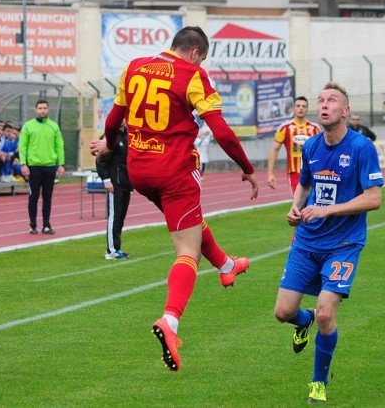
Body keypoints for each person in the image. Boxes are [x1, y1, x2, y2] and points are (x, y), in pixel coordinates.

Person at [89, 26, 259, 372]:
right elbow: (222, 130)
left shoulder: (134, 66)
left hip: (139, 171)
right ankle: (171, 320)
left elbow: (114, 118)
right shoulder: (193, 74)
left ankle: (227, 266)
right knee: (187, 249)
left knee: (190, 223)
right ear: (196, 53)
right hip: (173, 172)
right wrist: (246, 167)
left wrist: (108, 143)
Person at [273, 82, 383, 403]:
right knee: (283, 312)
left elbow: (374, 198)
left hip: (344, 243)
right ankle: (302, 320)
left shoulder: (362, 148)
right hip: (307, 242)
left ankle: (318, 383)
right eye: (320, 100)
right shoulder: (311, 147)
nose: (323, 105)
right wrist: (295, 208)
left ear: (345, 111)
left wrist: (328, 209)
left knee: (326, 314)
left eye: (331, 100)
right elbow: (305, 185)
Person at [19, 99, 66, 235]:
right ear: (35, 110)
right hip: (34, 167)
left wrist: (61, 164)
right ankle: (33, 224)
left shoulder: (54, 127)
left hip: (50, 166)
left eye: (45, 108)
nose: (42, 110)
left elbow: (59, 147)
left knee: (47, 197)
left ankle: (46, 225)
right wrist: (24, 164)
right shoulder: (28, 126)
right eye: (40, 108)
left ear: (48, 109)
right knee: (33, 196)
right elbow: (22, 147)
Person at [267, 96, 320, 194]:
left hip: (313, 172)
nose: (301, 108)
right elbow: (275, 149)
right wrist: (270, 173)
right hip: (294, 173)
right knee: (298, 203)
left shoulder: (315, 128)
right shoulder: (285, 127)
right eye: (298, 106)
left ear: (307, 109)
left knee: (313, 203)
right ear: (294, 108)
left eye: (304, 106)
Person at [96, 122, 132, 260]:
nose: (122, 120)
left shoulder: (128, 136)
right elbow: (100, 161)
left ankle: (117, 248)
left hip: (126, 183)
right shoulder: (109, 137)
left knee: (121, 217)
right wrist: (106, 180)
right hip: (114, 184)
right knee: (114, 217)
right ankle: (111, 250)